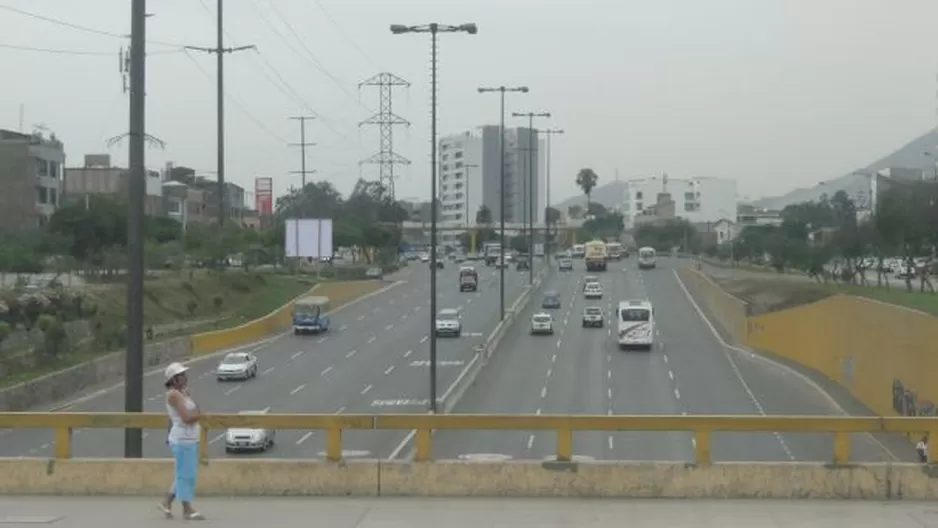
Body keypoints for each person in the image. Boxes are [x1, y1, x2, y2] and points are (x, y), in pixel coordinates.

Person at [158, 362, 205, 520]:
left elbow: (196, 408)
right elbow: (187, 417)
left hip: (190, 438)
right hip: (182, 438)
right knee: (186, 475)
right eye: (181, 375)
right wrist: (199, 416)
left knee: (184, 473)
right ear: (173, 379)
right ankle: (187, 509)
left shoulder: (184, 392)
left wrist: (196, 413)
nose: (185, 377)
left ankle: (166, 502)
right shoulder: (173, 395)